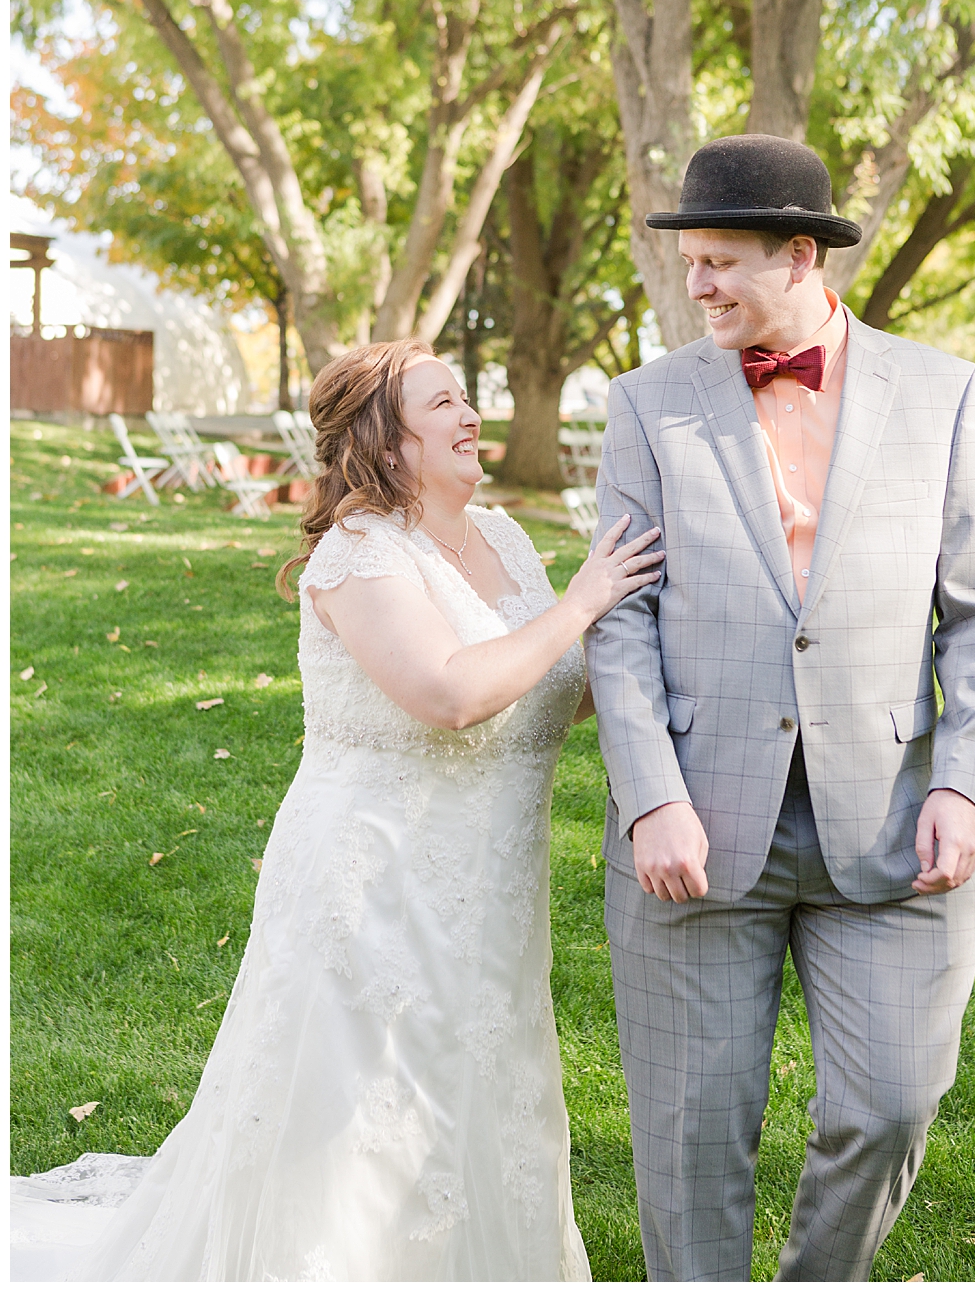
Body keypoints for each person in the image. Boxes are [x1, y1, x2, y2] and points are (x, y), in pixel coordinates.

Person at [10, 339, 663, 1280]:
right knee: (365, 1128)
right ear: (386, 442)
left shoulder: (507, 542)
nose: (471, 414)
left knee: (479, 1097)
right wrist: (583, 602)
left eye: (465, 396)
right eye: (442, 404)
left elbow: (542, 685)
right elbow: (450, 693)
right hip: (376, 895)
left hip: (491, 905)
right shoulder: (361, 552)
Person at [587, 133, 975, 1281]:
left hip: (894, 825)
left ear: (802, 255)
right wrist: (649, 798)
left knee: (894, 1106)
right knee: (691, 1135)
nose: (696, 283)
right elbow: (615, 620)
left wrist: (965, 782)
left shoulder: (947, 392)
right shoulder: (647, 405)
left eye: (719, 260)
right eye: (690, 263)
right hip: (696, 831)